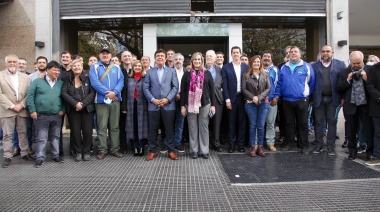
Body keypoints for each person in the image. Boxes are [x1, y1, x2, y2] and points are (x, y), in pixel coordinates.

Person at [272, 46, 315, 155]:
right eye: (291, 52)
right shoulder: (284, 67)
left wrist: (307, 95)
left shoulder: (307, 67)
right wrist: (278, 95)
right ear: (288, 54)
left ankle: (304, 145)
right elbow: (279, 83)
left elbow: (312, 83)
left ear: (300, 54)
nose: (293, 54)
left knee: (303, 123)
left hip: (302, 100)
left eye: (296, 52)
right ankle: (289, 143)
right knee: (288, 123)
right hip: (287, 100)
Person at [26, 61, 66, 167]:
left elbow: (65, 97)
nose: (57, 72)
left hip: (57, 115)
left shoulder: (60, 83)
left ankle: (55, 156)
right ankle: (40, 158)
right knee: (42, 138)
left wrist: (63, 109)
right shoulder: (37, 82)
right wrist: (32, 110)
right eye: (55, 70)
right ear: (47, 70)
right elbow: (30, 96)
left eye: (58, 70)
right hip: (41, 115)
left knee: (55, 137)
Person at [90, 41, 124, 160]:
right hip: (101, 101)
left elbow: (121, 82)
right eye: (103, 53)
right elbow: (94, 83)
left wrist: (114, 92)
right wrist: (108, 93)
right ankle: (102, 149)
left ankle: (115, 148)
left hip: (115, 100)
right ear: (99, 55)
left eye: (107, 53)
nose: (105, 55)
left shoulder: (116, 67)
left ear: (111, 55)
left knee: (114, 126)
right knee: (102, 126)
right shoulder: (94, 67)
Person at [143, 49, 179, 161]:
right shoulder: (149, 72)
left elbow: (175, 87)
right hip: (153, 105)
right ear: (155, 58)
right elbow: (145, 88)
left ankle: (171, 150)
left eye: (162, 56)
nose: (160, 58)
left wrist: (167, 99)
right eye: (158, 56)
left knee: (169, 129)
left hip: (168, 105)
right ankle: (152, 151)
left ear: (165, 58)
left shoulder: (172, 71)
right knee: (152, 130)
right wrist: (153, 100)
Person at [337, 51, 373, 160]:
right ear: (350, 62)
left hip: (365, 105)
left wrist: (366, 79)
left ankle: (369, 151)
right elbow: (338, 88)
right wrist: (348, 80)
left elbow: (374, 86)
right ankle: (352, 151)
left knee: (368, 129)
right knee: (351, 130)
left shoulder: (369, 71)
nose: (356, 65)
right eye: (354, 63)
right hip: (350, 105)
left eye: (358, 63)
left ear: (363, 61)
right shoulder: (344, 72)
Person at [311, 45, 346, 156]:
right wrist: (311, 98)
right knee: (318, 123)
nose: (325, 53)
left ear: (333, 52)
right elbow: (311, 83)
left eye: (328, 51)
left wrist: (343, 97)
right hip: (318, 98)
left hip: (333, 99)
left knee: (332, 122)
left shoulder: (340, 64)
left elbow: (344, 82)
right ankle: (319, 145)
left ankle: (330, 146)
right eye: (323, 51)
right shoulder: (314, 66)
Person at [1, 54, 34, 168]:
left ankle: (24, 153)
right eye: (10, 61)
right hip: (7, 110)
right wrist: (11, 105)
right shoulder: (1, 76)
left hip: (22, 109)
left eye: (14, 62)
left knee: (23, 132)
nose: (12, 64)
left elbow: (29, 93)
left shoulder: (25, 77)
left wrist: (22, 104)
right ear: (6, 63)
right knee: (7, 134)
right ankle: (7, 156)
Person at [181, 52, 216, 159]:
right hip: (190, 104)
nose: (197, 61)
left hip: (205, 103)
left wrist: (213, 105)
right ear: (192, 61)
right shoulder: (186, 73)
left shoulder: (207, 73)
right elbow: (183, 91)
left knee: (204, 127)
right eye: (195, 59)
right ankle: (194, 150)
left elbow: (212, 91)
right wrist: (182, 106)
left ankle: (204, 150)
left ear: (202, 61)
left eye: (199, 60)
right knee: (192, 127)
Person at [61, 59, 95, 161]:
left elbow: (92, 93)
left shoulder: (88, 78)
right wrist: (75, 103)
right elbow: (64, 93)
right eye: (74, 66)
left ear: (82, 67)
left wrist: (83, 104)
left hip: (87, 109)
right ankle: (78, 152)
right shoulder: (67, 79)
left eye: (79, 66)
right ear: (71, 68)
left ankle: (86, 152)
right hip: (73, 109)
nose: (77, 67)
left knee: (87, 131)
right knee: (75, 132)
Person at [222, 46, 249, 153]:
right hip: (232, 98)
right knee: (231, 122)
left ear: (240, 54)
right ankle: (232, 144)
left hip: (243, 98)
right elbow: (224, 84)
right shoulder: (226, 67)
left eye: (238, 52)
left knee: (242, 122)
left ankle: (241, 144)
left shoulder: (246, 67)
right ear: (231, 54)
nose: (236, 54)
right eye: (234, 52)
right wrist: (227, 100)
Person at [242, 55, 271, 157]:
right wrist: (253, 97)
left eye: (258, 62)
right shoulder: (246, 75)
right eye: (254, 62)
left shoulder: (265, 75)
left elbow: (268, 88)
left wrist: (259, 97)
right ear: (251, 63)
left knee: (261, 125)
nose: (256, 64)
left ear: (261, 63)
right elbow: (243, 89)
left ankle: (260, 146)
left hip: (263, 103)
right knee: (252, 125)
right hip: (250, 103)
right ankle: (252, 146)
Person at [122, 60, 148, 156]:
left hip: (143, 106)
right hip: (131, 105)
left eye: (139, 66)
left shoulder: (145, 78)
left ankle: (141, 146)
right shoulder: (128, 78)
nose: (137, 67)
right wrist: (124, 106)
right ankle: (135, 146)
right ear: (132, 67)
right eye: (135, 66)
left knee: (142, 126)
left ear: (142, 67)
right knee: (133, 126)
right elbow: (124, 93)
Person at [205, 50, 224, 152]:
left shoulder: (220, 69)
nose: (209, 58)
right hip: (204, 99)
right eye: (207, 56)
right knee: (205, 122)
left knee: (217, 122)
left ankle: (216, 143)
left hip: (218, 99)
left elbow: (223, 83)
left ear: (215, 58)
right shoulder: (202, 69)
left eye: (211, 56)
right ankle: (205, 143)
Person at [262, 51, 278, 152]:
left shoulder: (275, 70)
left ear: (271, 59)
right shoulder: (257, 69)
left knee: (270, 123)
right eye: (265, 56)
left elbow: (279, 84)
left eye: (268, 56)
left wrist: (276, 97)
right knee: (259, 123)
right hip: (260, 101)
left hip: (271, 100)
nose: (266, 58)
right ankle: (257, 143)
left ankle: (270, 142)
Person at [364, 61, 380, 165]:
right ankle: (377, 156)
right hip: (377, 106)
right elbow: (369, 85)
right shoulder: (373, 69)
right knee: (378, 133)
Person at [119, 50, 133, 153]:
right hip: (121, 102)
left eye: (129, 56)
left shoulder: (136, 69)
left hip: (133, 103)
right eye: (125, 56)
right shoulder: (118, 70)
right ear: (121, 58)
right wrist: (123, 106)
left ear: (132, 58)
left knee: (132, 124)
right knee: (122, 126)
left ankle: (133, 145)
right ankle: (123, 146)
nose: (127, 58)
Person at [172, 53, 186, 152]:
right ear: (173, 61)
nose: (178, 61)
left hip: (183, 101)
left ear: (183, 61)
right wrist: (174, 95)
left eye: (180, 59)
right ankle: (169, 142)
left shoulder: (187, 72)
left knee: (180, 123)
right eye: (176, 59)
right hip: (171, 100)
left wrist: (181, 95)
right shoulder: (169, 71)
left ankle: (178, 142)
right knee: (169, 123)